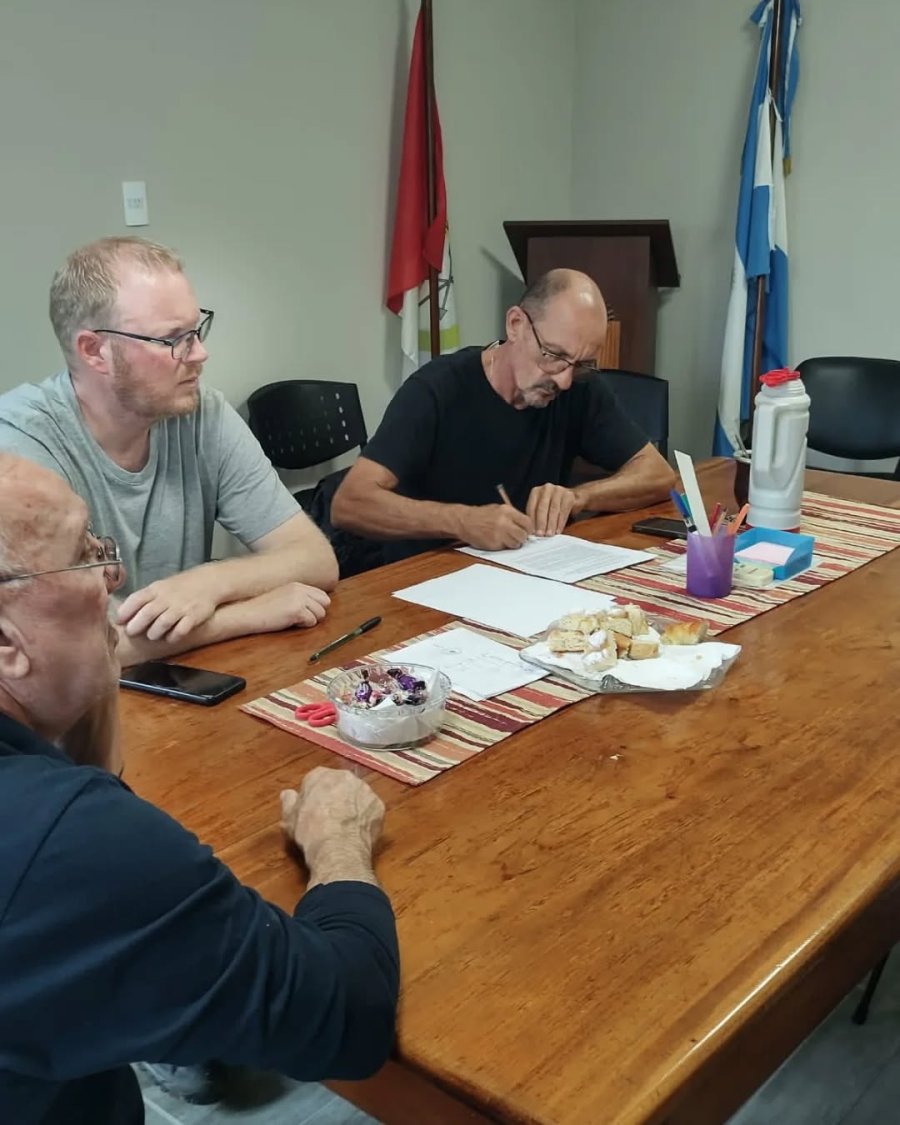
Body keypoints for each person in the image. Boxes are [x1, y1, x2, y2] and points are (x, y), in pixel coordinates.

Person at [0, 453, 399, 1125]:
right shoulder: (65, 840)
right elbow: (350, 1014)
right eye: (85, 557)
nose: (114, 575)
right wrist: (337, 847)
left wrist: (88, 686)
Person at [0, 237, 339, 668]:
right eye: (172, 339)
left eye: (196, 330)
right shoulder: (18, 449)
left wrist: (210, 583)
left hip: (181, 686)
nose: (199, 353)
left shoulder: (202, 413)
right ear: (94, 351)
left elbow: (314, 557)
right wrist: (245, 614)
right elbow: (65, 651)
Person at [332, 269, 676, 561]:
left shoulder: (578, 386)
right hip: (420, 571)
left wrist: (580, 496)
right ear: (515, 325)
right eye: (552, 354)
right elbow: (350, 504)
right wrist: (462, 521)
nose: (564, 379)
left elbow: (658, 474)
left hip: (517, 571)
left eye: (581, 364)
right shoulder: (437, 389)